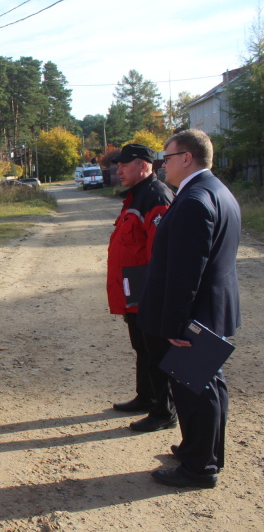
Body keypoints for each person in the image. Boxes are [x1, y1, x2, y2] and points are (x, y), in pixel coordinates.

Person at [138, 129, 241, 489]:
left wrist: (177, 325)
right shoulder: (217, 191)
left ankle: (199, 468)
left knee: (195, 391)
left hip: (195, 316)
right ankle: (203, 452)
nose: (161, 165)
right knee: (209, 386)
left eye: (166, 158)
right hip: (212, 309)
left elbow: (186, 271)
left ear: (186, 158)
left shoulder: (195, 199)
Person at [106, 144, 177, 433]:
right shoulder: (137, 195)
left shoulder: (156, 196)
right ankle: (146, 397)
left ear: (144, 165)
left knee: (157, 351)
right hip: (134, 288)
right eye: (117, 165)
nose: (118, 170)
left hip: (148, 289)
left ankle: (164, 411)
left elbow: (160, 254)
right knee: (143, 348)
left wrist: (155, 296)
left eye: (124, 164)